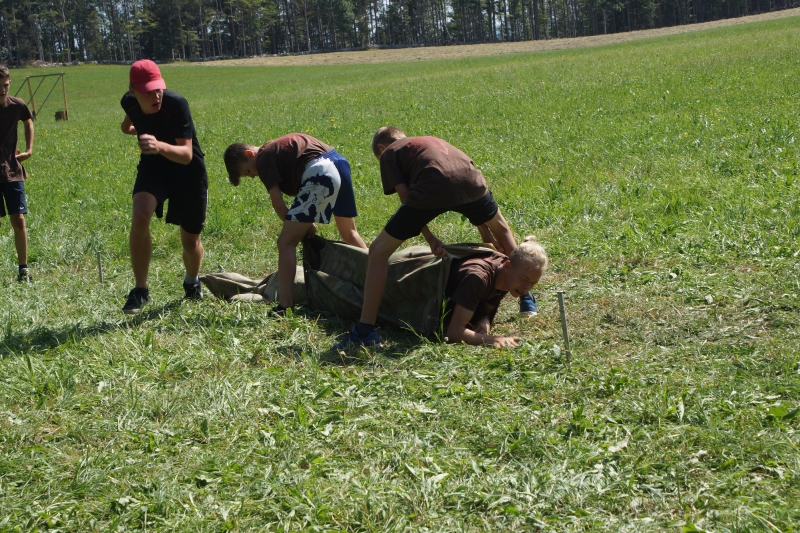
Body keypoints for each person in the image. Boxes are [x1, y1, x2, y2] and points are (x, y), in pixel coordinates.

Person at [334, 126, 519, 349]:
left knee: (378, 252)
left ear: (382, 148)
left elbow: (407, 198)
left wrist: (430, 238)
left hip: (434, 185)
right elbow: (459, 181)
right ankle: (526, 294)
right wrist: (485, 231)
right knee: (503, 230)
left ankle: (364, 332)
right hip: (473, 180)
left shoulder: (389, 153)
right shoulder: (427, 141)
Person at [224, 134, 367, 314]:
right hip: (339, 163)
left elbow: (278, 204)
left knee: (286, 242)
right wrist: (304, 224)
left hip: (321, 172)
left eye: (247, 171)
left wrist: (301, 228)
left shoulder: (263, 159)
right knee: (349, 232)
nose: (253, 176)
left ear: (249, 153)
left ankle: (285, 305)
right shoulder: (274, 148)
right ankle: (381, 275)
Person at [120, 59, 207, 314]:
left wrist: (157, 144)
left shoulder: (176, 104)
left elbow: (186, 154)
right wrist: (139, 131)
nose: (156, 95)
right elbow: (127, 126)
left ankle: (192, 282)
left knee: (190, 241)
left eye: (158, 88)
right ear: (133, 91)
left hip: (188, 173)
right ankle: (140, 290)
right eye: (148, 91)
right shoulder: (129, 102)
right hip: (154, 167)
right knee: (140, 216)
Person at [444, 236, 547, 348]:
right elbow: (453, 332)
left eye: (533, 283)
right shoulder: (477, 278)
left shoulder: (508, 278)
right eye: (524, 279)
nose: (527, 287)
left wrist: (484, 320)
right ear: (507, 265)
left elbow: (487, 308)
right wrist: (495, 339)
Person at [0, 65, 34, 282]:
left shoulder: (17, 105)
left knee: (19, 220)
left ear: (10, 82)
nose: (2, 90)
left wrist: (29, 149)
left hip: (12, 170)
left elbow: (28, 121)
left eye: (5, 85)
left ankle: (23, 270)